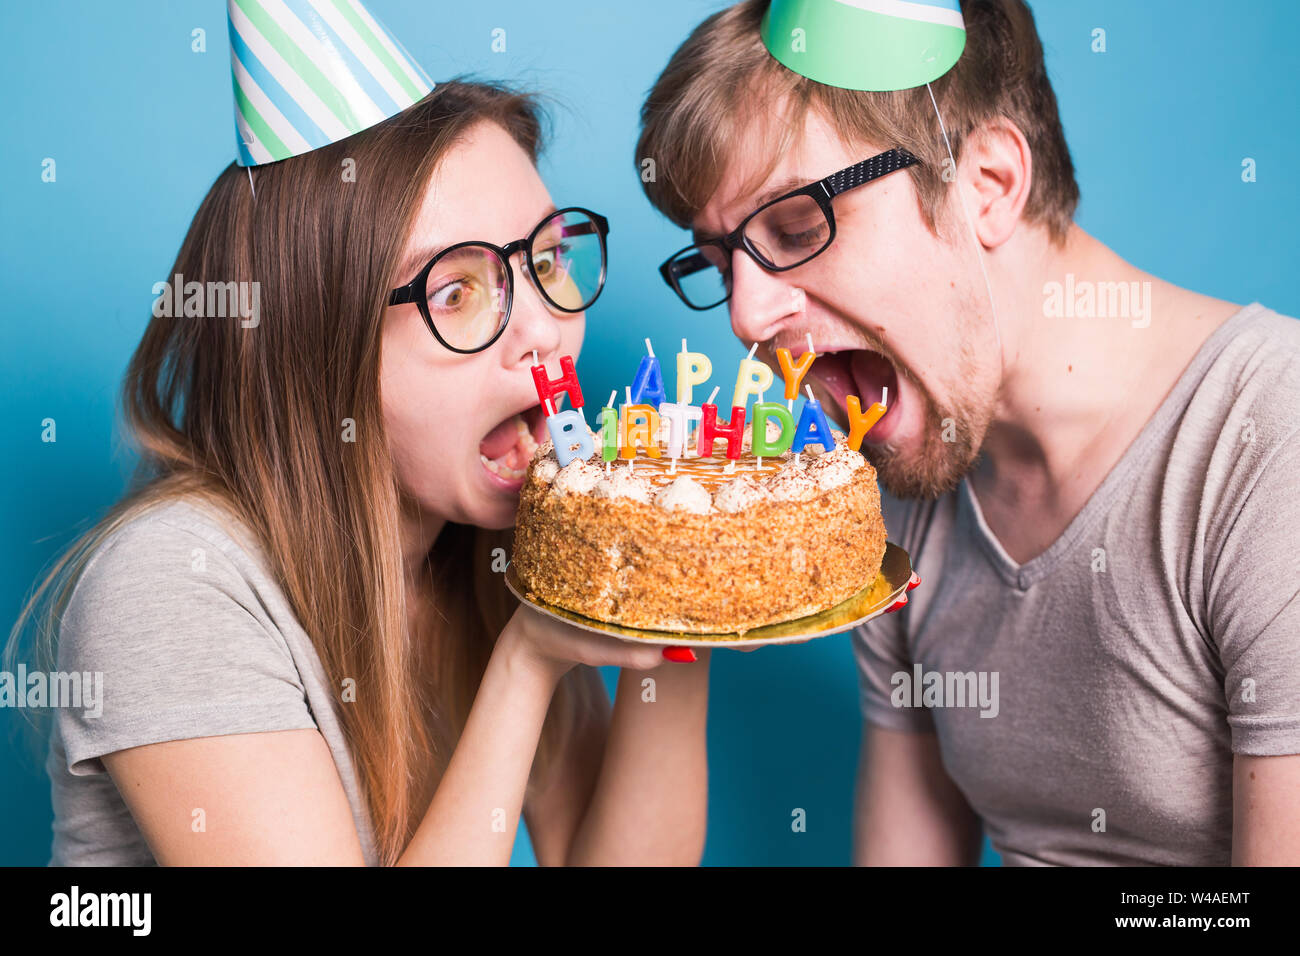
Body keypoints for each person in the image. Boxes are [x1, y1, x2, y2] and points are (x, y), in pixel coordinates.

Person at [7, 12, 711, 863]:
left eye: (549, 259)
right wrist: (526, 664)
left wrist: (693, 609)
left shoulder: (485, 562)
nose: (546, 330)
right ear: (317, 349)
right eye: (456, 293)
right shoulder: (171, 585)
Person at [635, 0, 1300, 865]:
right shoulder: (906, 479)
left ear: (987, 184)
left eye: (796, 227)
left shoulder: (1266, 443)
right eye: (721, 263)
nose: (746, 314)